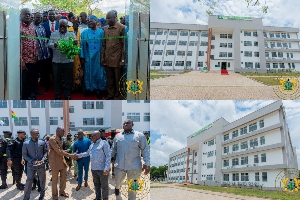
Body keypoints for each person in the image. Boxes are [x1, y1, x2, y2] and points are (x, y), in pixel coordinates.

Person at [111, 119, 150, 199]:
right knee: (117, 181)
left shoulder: (140, 136)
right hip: (119, 165)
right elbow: (113, 150)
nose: (125, 124)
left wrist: (147, 163)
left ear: (133, 124)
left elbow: (145, 150)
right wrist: (108, 161)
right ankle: (117, 188)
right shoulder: (118, 137)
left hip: (134, 167)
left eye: (128, 123)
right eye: (124, 123)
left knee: (133, 187)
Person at [76, 131, 111, 200]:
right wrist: (78, 155)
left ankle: (105, 198)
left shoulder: (104, 143)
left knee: (104, 186)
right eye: (92, 136)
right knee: (96, 184)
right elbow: (87, 153)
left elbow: (108, 156)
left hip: (102, 169)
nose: (91, 137)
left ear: (98, 136)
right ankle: (98, 197)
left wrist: (106, 168)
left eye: (93, 136)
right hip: (94, 169)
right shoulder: (92, 145)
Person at [48, 19, 76, 100]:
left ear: (67, 26)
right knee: (57, 79)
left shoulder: (71, 34)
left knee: (68, 79)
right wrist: (54, 45)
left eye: (64, 26)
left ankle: (67, 95)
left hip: (68, 61)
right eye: (61, 26)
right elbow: (49, 44)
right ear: (58, 26)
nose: (62, 27)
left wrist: (75, 44)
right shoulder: (53, 34)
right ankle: (57, 94)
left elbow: (75, 46)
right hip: (57, 61)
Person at [80, 15, 106, 99]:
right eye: (89, 21)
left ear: (96, 22)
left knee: (99, 73)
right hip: (88, 57)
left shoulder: (101, 32)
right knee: (88, 73)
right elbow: (82, 45)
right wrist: (82, 57)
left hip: (98, 57)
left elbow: (104, 45)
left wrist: (103, 57)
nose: (89, 23)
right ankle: (88, 89)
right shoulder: (85, 33)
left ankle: (98, 90)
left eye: (91, 21)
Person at [101, 10, 126, 100]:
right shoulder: (106, 29)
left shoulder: (122, 28)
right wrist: (102, 58)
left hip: (117, 59)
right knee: (110, 79)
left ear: (115, 17)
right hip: (108, 59)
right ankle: (110, 95)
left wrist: (122, 60)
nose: (107, 20)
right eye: (106, 18)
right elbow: (104, 44)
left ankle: (118, 96)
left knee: (118, 80)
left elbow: (124, 46)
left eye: (109, 18)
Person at [48, 127, 77, 199]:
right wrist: (70, 155)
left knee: (64, 177)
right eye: (62, 132)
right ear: (58, 131)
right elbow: (59, 151)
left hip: (62, 160)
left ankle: (62, 192)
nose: (64, 133)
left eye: (64, 132)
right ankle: (54, 196)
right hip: (54, 162)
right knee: (55, 180)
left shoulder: (61, 138)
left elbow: (61, 150)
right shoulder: (52, 139)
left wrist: (67, 151)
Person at [22, 128, 47, 200]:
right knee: (29, 181)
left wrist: (42, 159)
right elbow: (24, 154)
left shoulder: (42, 142)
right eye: (36, 134)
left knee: (42, 180)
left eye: (38, 133)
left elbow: (45, 152)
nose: (38, 135)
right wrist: (32, 161)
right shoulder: (26, 143)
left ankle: (42, 194)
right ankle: (26, 197)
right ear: (31, 134)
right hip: (31, 165)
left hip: (41, 165)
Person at [20, 8, 38, 100]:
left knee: (31, 78)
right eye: (26, 14)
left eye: (29, 14)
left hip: (32, 58)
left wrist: (36, 55)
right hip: (23, 60)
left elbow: (34, 41)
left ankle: (31, 94)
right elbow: (17, 46)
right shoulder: (18, 28)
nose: (28, 16)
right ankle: (24, 98)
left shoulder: (32, 26)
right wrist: (21, 60)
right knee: (23, 80)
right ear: (21, 15)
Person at [41, 10, 59, 92]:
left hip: (58, 50)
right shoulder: (43, 25)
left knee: (56, 68)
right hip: (47, 50)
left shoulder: (60, 25)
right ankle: (47, 84)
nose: (51, 16)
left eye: (53, 14)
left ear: (55, 15)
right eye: (50, 15)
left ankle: (56, 84)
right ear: (48, 16)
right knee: (47, 68)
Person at [33, 12, 51, 94]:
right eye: (37, 17)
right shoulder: (31, 27)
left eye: (40, 18)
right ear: (34, 17)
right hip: (37, 54)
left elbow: (44, 40)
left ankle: (45, 85)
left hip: (45, 53)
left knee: (45, 71)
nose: (39, 19)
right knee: (36, 73)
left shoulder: (42, 27)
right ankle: (35, 88)